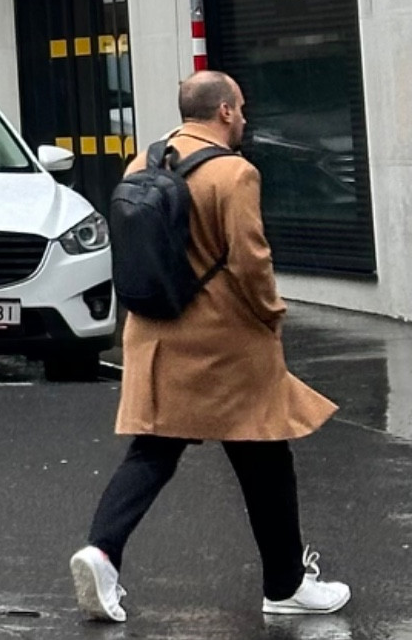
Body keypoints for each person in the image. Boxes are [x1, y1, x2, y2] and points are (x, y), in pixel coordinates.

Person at [70, 72, 347, 623]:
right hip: (224, 341)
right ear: (223, 112)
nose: (244, 117)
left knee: (153, 451)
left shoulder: (141, 165)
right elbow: (250, 260)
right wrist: (272, 313)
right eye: (240, 108)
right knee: (266, 450)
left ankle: (101, 551)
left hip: (154, 334)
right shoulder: (234, 173)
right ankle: (286, 584)